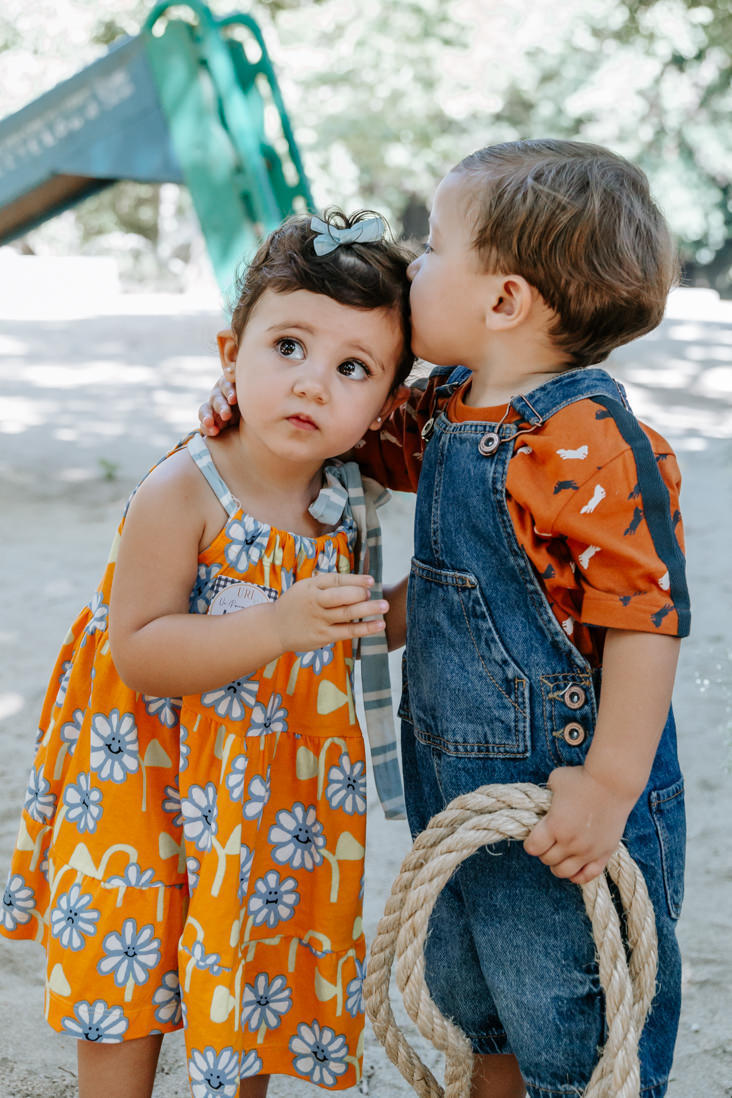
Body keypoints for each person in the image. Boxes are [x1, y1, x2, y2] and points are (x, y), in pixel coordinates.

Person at [200, 140, 690, 1098]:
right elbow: (365, 443)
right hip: (457, 780)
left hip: (565, 795)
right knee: (481, 1003)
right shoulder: (448, 406)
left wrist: (609, 784)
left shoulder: (591, 439)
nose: (413, 266)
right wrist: (254, 399)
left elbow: (642, 621)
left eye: (430, 248)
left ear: (503, 301)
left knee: (574, 1018)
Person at [1, 209, 415, 1098]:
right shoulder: (184, 490)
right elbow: (142, 650)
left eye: (353, 368)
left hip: (267, 794)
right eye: (289, 346)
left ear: (384, 405)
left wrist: (406, 605)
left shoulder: (346, 505)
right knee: (129, 963)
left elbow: (349, 630)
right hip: (144, 779)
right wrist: (276, 626)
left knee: (248, 973)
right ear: (233, 350)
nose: (312, 384)